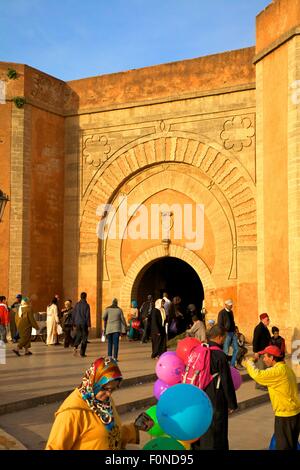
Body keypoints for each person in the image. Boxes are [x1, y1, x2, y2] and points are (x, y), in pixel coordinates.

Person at [45, 357, 152, 450]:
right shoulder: (72, 412)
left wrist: (134, 428)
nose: (109, 394)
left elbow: (107, 435)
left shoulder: (103, 402)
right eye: (105, 389)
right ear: (94, 383)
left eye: (113, 390)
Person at [243, 345, 300, 450]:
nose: (264, 360)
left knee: (283, 447)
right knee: (291, 445)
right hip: (294, 413)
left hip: (285, 416)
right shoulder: (287, 369)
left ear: (272, 358)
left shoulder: (277, 371)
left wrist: (250, 361)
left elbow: (257, 375)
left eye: (265, 357)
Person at [192, 325, 238, 450]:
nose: (224, 340)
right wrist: (232, 404)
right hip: (215, 398)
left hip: (199, 394)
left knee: (202, 427)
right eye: (223, 337)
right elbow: (226, 382)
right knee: (217, 431)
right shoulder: (219, 355)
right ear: (219, 337)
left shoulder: (199, 350)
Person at [217, 299, 238, 368]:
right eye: (229, 305)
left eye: (231, 305)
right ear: (225, 305)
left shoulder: (231, 312)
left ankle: (232, 365)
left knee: (236, 349)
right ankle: (225, 366)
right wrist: (224, 332)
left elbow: (232, 321)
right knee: (226, 350)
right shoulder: (221, 313)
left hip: (233, 332)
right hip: (227, 334)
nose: (231, 306)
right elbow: (220, 324)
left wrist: (235, 330)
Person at [252, 313, 271, 390]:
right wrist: (256, 352)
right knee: (261, 369)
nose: (269, 321)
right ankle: (259, 385)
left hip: (265, 351)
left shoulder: (264, 327)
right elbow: (255, 340)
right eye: (267, 319)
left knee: (264, 369)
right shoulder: (259, 328)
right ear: (262, 319)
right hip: (260, 352)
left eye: (268, 319)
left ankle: (262, 384)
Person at [73, 292, 91, 357]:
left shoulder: (77, 304)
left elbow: (74, 314)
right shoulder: (86, 305)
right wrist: (89, 325)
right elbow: (87, 316)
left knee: (78, 335)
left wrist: (74, 323)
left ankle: (75, 346)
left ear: (80, 297)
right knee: (84, 338)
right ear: (86, 297)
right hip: (84, 323)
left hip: (77, 322)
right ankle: (82, 353)